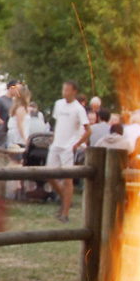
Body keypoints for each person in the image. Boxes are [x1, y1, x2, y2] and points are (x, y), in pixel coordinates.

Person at [48, 80, 89, 222]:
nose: (64, 93)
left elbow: (88, 130)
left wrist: (76, 144)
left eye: (67, 90)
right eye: (63, 90)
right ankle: (64, 198)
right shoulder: (58, 104)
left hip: (68, 147)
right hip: (56, 144)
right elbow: (57, 123)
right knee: (49, 174)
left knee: (67, 179)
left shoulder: (78, 109)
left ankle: (65, 213)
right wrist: (54, 137)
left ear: (74, 92)